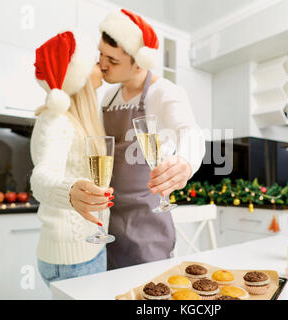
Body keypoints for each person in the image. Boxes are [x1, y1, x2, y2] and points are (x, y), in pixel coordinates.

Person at [92, 8, 205, 269]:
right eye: (100, 54)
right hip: (111, 220)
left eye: (113, 60)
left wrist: (185, 163)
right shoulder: (107, 97)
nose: (102, 64)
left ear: (139, 62)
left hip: (148, 222)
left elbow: (191, 131)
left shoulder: (164, 92)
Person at [30, 30, 114, 286]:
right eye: (94, 62)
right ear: (79, 77)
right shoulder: (58, 121)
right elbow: (42, 177)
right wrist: (69, 191)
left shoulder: (79, 121)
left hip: (84, 253)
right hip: (73, 262)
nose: (101, 65)